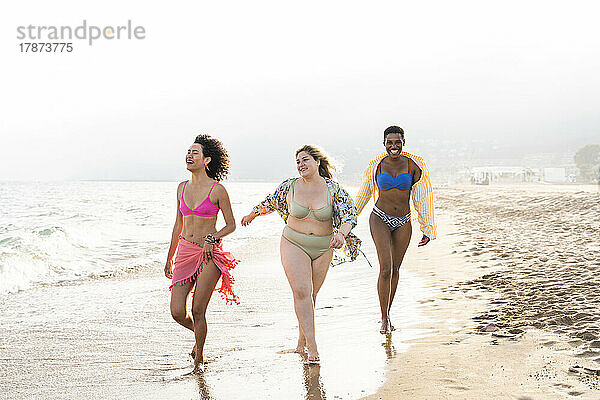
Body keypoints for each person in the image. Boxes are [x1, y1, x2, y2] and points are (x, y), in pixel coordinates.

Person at [241, 145, 360, 364]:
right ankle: (312, 347)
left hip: (324, 246)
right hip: (293, 242)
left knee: (310, 296)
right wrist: (252, 214)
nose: (300, 165)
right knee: (302, 290)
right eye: (297, 162)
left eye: (305, 160)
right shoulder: (290, 186)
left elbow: (349, 215)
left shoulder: (334, 189)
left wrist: (342, 234)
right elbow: (271, 201)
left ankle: (300, 342)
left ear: (317, 162)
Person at [164, 134, 239, 372]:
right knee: (177, 311)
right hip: (185, 251)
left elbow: (230, 225)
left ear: (207, 160)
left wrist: (213, 238)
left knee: (198, 309)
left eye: (195, 152)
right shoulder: (181, 188)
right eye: (188, 151)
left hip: (209, 254)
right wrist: (169, 257)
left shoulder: (218, 190)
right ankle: (200, 335)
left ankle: (199, 359)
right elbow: (178, 225)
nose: (189, 155)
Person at [354, 126, 437, 334]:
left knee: (396, 269)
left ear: (403, 142)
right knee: (385, 268)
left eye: (397, 142)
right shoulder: (377, 165)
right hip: (379, 218)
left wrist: (427, 227)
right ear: (384, 144)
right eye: (389, 142)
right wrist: (349, 220)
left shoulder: (414, 165)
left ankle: (389, 312)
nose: (393, 146)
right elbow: (364, 195)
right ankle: (383, 318)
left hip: (404, 221)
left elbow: (422, 197)